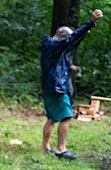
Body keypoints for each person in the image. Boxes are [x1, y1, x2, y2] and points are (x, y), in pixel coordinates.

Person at [38, 9, 103, 159]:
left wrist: (86, 31)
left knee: (52, 118)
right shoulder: (53, 45)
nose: (69, 41)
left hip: (51, 87)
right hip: (56, 88)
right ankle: (61, 148)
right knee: (66, 116)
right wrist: (90, 22)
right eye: (68, 38)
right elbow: (70, 40)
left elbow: (72, 43)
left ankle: (45, 147)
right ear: (62, 36)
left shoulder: (53, 47)